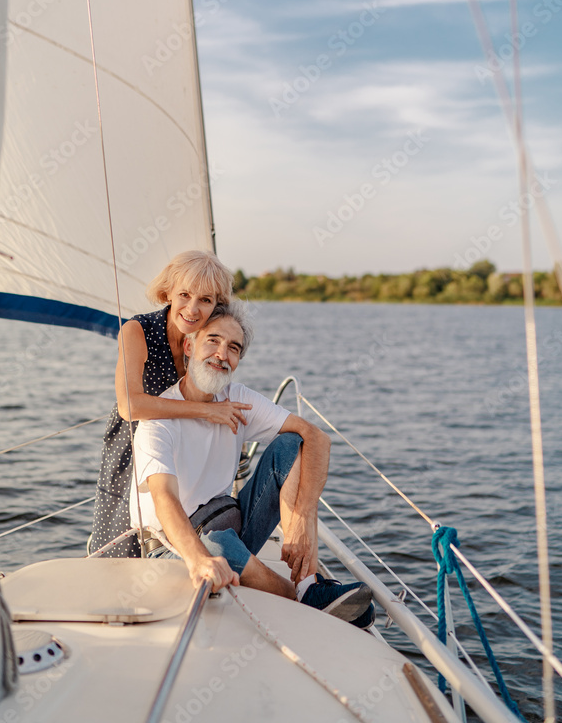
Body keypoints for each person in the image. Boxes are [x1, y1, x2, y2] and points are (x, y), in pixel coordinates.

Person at [130, 300, 375, 626]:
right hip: (174, 547)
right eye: (213, 341)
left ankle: (308, 584)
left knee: (291, 443)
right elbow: (164, 498)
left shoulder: (238, 399)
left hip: (228, 524)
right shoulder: (158, 421)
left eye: (233, 348)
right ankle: (302, 598)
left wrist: (302, 520)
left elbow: (317, 438)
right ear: (189, 346)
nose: (222, 354)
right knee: (220, 544)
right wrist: (199, 559)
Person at [91, 249, 251, 557]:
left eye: (205, 300)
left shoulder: (208, 337)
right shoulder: (137, 331)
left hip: (180, 445)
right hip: (132, 446)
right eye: (184, 295)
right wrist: (206, 412)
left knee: (174, 534)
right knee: (123, 547)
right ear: (168, 293)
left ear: (216, 305)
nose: (192, 309)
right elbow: (130, 406)